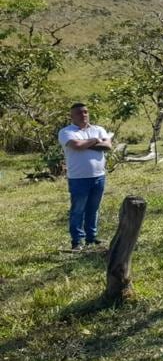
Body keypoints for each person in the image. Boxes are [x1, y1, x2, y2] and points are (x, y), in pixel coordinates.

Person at [58, 103, 113, 252]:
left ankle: (91, 238)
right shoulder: (66, 131)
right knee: (78, 210)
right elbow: (75, 145)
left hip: (98, 176)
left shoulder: (98, 129)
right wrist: (96, 140)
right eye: (79, 113)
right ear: (72, 116)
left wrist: (87, 144)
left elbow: (107, 146)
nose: (83, 115)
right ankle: (77, 241)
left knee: (93, 209)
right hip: (78, 178)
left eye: (85, 112)